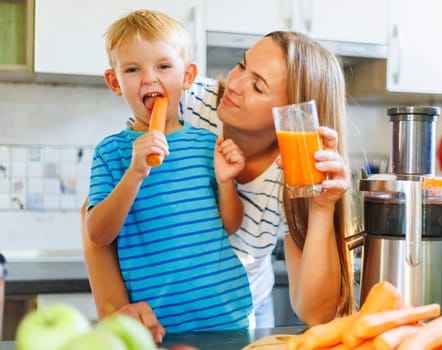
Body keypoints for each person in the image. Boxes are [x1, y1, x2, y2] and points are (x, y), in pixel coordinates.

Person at [82, 29, 355, 340]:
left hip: (238, 316)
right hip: (158, 319)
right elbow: (96, 213)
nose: (234, 84)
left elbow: (316, 313)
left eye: (257, 86)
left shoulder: (297, 165)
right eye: (241, 64)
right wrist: (116, 311)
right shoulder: (186, 99)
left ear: (291, 114)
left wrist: (322, 207)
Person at [85, 9, 253, 334]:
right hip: (156, 328)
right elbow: (98, 234)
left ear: (187, 75)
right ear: (114, 82)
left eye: (163, 66)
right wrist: (134, 172)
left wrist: (226, 181)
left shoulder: (209, 145)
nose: (149, 78)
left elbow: (231, 226)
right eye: (132, 69)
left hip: (226, 319)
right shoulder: (112, 153)